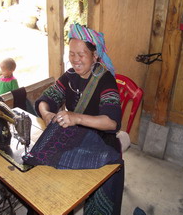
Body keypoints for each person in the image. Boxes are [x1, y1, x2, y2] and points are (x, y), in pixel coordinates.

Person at [33, 23, 124, 215]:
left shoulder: (106, 80)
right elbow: (44, 100)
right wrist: (47, 114)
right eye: (72, 54)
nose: (75, 60)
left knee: (95, 190)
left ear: (95, 56)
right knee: (45, 179)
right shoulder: (70, 77)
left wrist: (76, 118)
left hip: (100, 140)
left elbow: (111, 122)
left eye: (81, 54)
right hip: (74, 136)